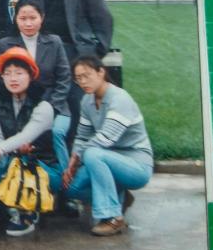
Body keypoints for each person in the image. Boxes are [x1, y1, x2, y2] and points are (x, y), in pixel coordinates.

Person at [0, 47, 62, 237]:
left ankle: (27, 213)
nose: (13, 78)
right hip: (11, 163)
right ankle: (23, 204)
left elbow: (26, 136)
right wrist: (4, 151)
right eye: (8, 73)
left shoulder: (43, 107)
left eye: (19, 73)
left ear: (31, 75)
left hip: (42, 166)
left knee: (18, 179)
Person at [64, 55, 153, 237]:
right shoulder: (87, 101)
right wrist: (72, 160)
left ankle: (113, 218)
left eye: (87, 75)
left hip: (137, 165)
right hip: (106, 160)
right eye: (78, 78)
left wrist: (78, 159)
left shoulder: (120, 99)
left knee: (92, 154)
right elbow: (82, 136)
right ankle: (119, 196)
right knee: (71, 187)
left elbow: (105, 139)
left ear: (101, 72)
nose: (83, 82)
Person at [0, 0, 73, 166]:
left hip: (55, 103)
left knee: (57, 132)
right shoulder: (5, 44)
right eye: (23, 18)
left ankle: (65, 171)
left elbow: (64, 78)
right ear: (15, 19)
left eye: (33, 18)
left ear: (42, 18)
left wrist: (52, 106)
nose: (28, 23)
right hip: (21, 104)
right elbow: (4, 78)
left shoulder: (54, 42)